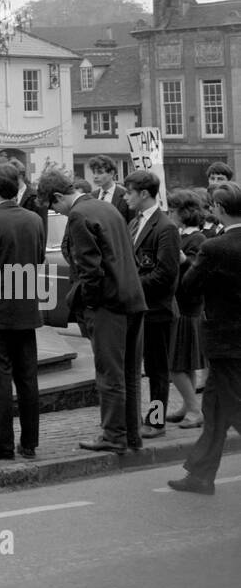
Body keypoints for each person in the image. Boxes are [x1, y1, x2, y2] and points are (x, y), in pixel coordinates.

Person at [38, 168, 145, 453]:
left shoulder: (79, 215)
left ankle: (113, 436)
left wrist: (88, 303)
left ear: (59, 196)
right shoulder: (106, 207)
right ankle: (131, 434)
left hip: (109, 305)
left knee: (109, 374)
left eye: (53, 206)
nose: (56, 212)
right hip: (133, 298)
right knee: (130, 374)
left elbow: (90, 269)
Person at [168, 182, 241, 495]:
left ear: (220, 209)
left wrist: (187, 264)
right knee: (214, 409)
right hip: (232, 341)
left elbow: (189, 288)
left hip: (225, 341)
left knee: (233, 408)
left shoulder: (215, 247)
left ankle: (200, 474)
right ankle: (200, 474)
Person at [0, 163, 45, 460]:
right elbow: (37, 260)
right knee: (27, 377)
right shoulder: (34, 220)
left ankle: (1, 442)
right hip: (25, 307)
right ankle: (29, 442)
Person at [124, 170, 180, 438]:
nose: (125, 197)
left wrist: (131, 286)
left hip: (157, 310)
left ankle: (156, 421)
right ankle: (134, 416)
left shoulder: (165, 227)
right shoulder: (134, 223)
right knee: (139, 367)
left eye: (129, 192)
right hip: (137, 308)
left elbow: (166, 274)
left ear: (144, 193)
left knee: (158, 371)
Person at [165, 189, 206, 428]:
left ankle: (194, 408)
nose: (169, 214)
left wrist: (182, 260)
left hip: (187, 308)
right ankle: (187, 405)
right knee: (184, 363)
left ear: (185, 212)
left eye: (172, 210)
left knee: (175, 365)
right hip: (181, 305)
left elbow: (196, 272)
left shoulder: (196, 239)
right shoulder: (182, 236)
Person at [87, 156, 133, 223]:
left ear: (111, 173)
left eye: (100, 172)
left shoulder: (125, 195)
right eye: (94, 172)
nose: (95, 176)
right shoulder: (91, 196)